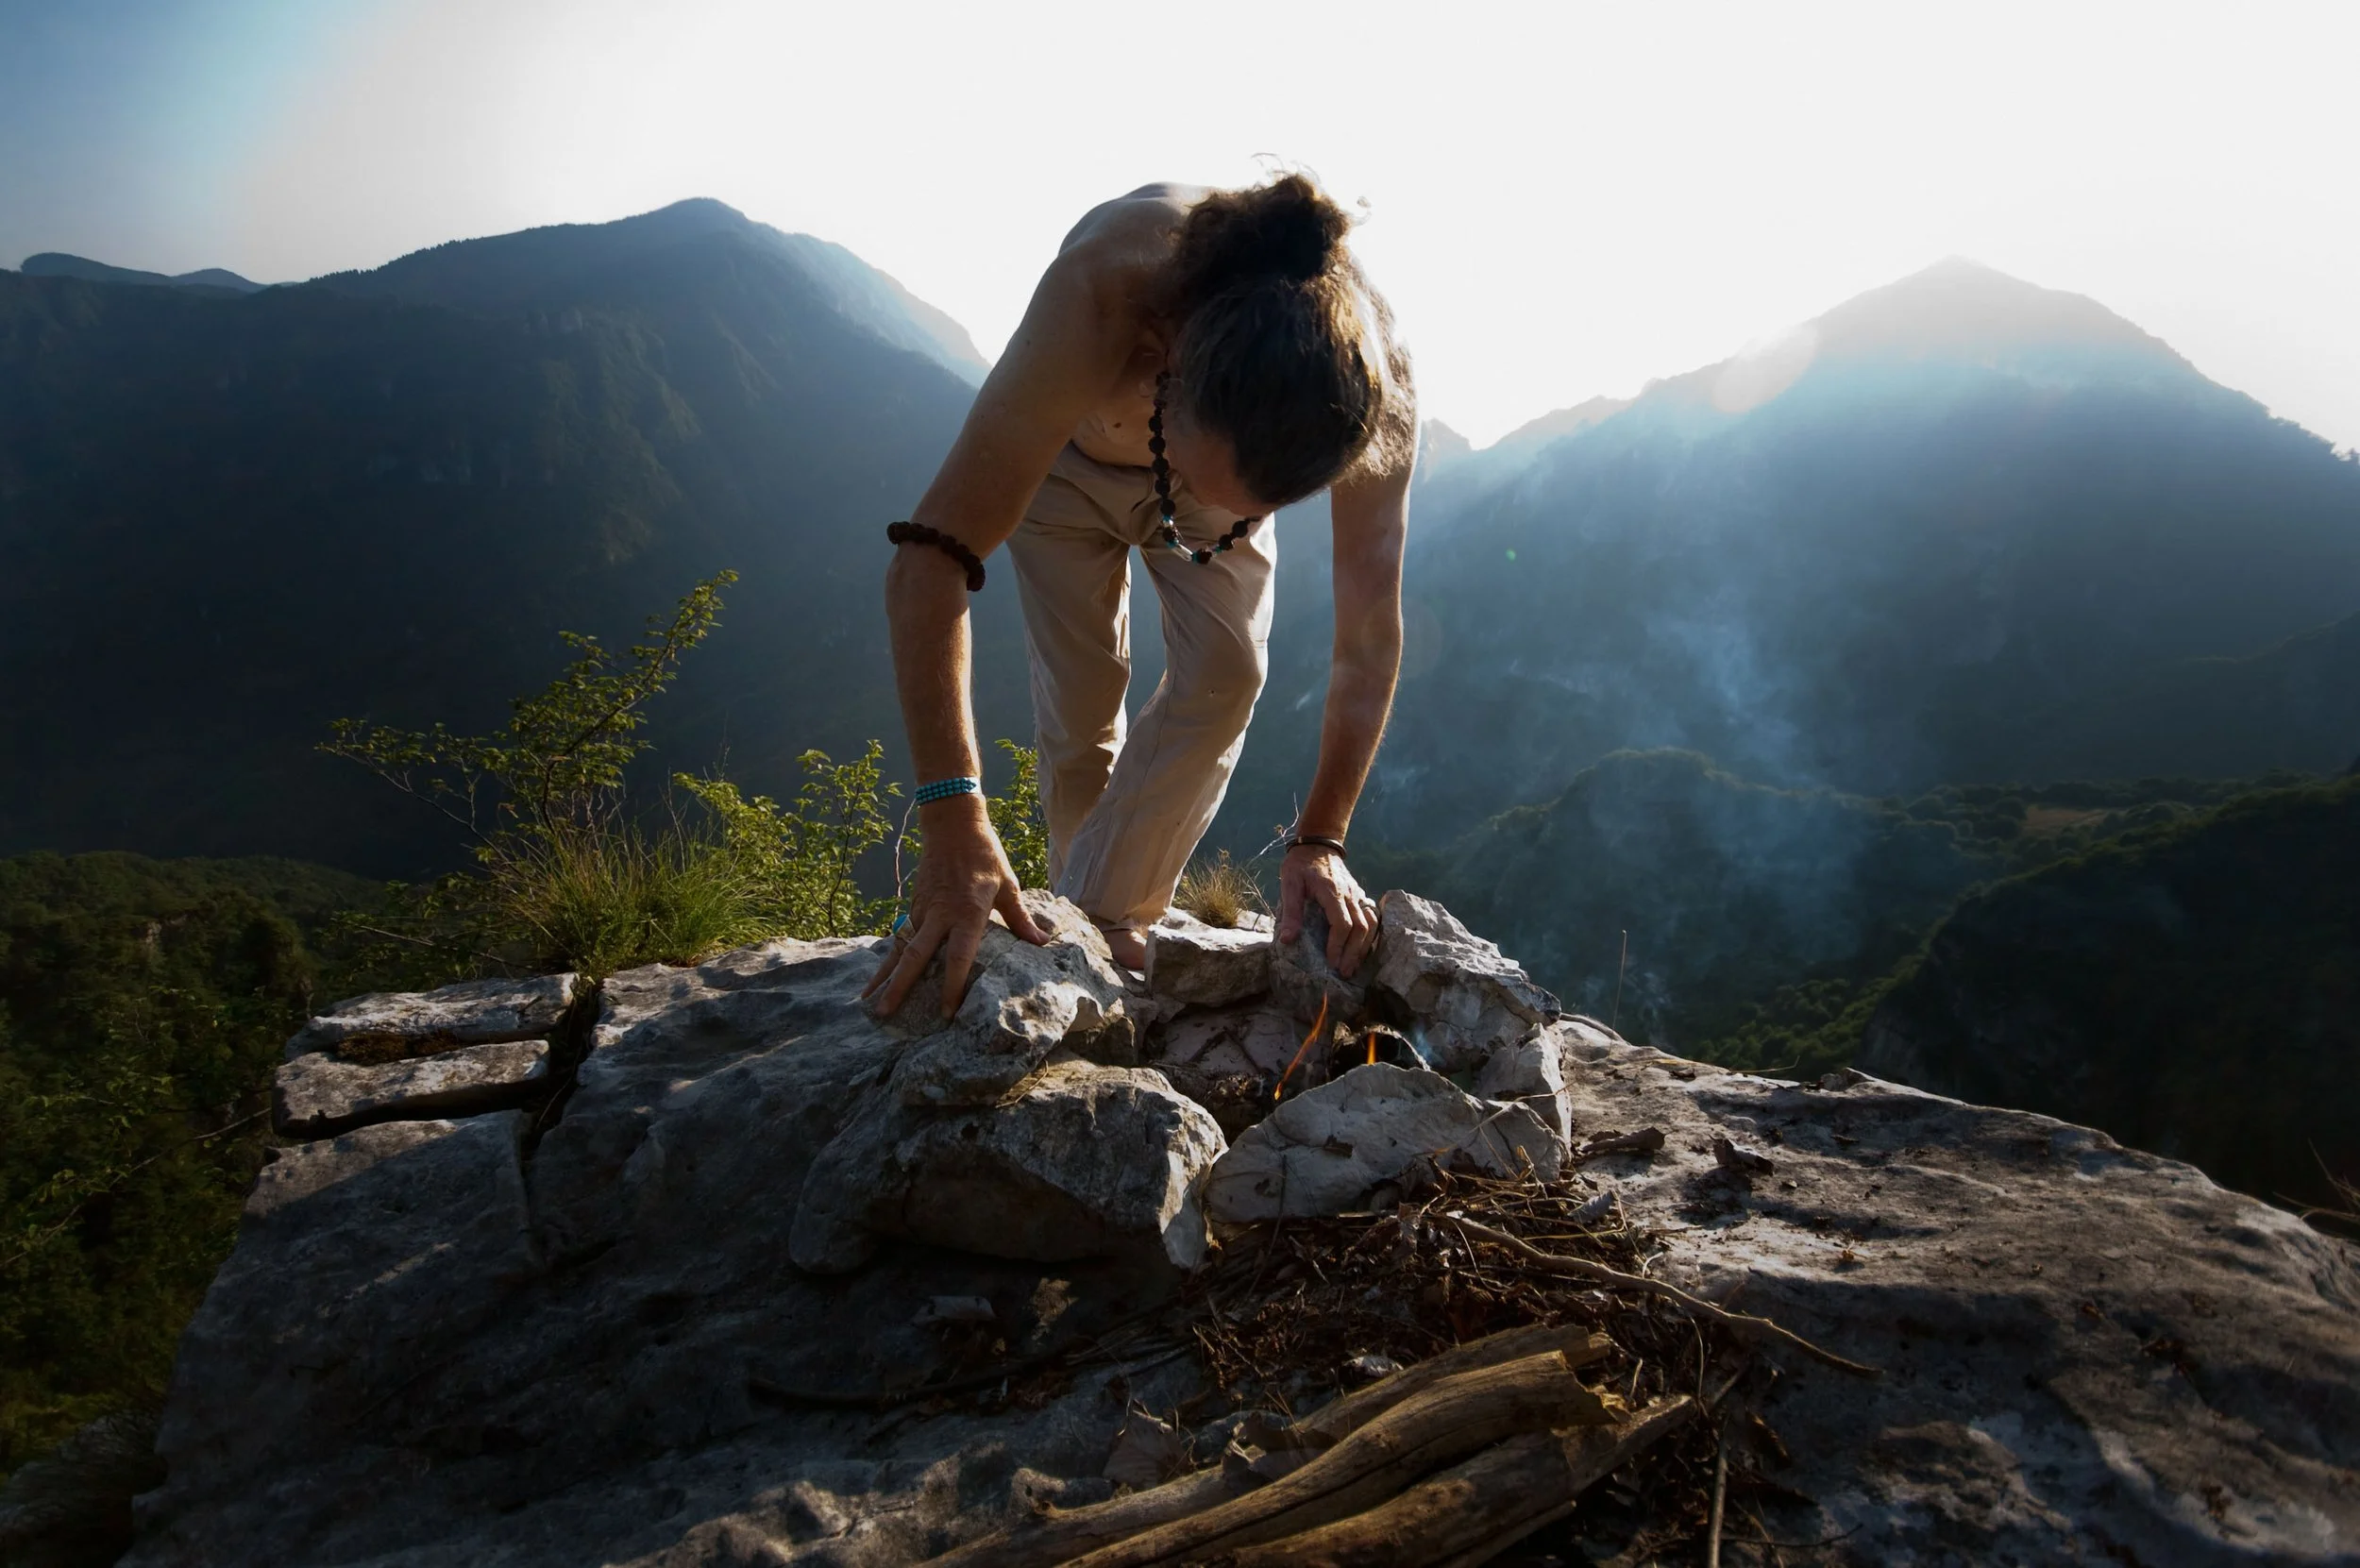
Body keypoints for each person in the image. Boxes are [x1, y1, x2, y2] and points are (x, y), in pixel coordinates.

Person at [866, 174, 1416, 1019]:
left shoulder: (1366, 393)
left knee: (1228, 673)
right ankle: (1094, 928)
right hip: (1063, 465)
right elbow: (927, 563)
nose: (1224, 509)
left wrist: (1321, 838)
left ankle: (1092, 918)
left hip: (1224, 466)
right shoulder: (1108, 287)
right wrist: (953, 819)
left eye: (1265, 505)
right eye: (1212, 478)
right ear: (1170, 365)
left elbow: (1370, 637)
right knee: (1082, 701)